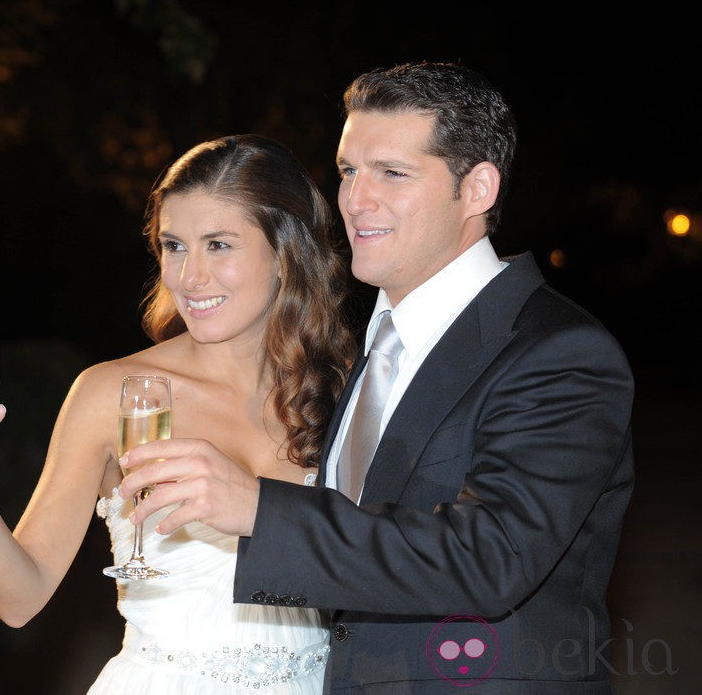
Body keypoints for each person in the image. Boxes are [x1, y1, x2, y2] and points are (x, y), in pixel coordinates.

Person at [121, 63, 635, 693]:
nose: (355, 200)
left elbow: (492, 555)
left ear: (477, 190)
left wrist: (257, 507)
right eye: (348, 172)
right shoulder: (370, 344)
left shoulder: (559, 350)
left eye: (392, 173)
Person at [0, 133, 358, 692]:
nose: (189, 277)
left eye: (218, 245)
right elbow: (19, 600)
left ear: (286, 253)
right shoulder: (113, 393)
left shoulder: (345, 390)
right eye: (174, 246)